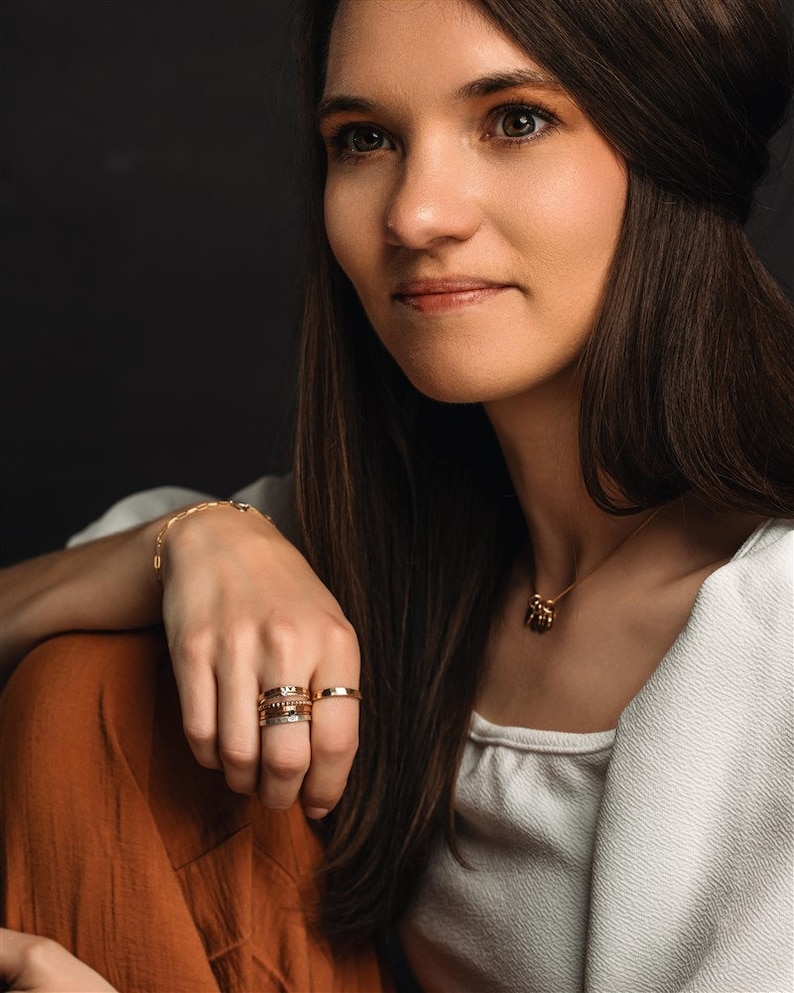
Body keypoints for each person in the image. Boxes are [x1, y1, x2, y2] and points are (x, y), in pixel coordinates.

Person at [2, 0, 793, 990]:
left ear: (672, 139)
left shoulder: (770, 621)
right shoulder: (376, 545)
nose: (415, 214)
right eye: (364, 139)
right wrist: (188, 540)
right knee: (93, 697)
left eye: (513, 120)